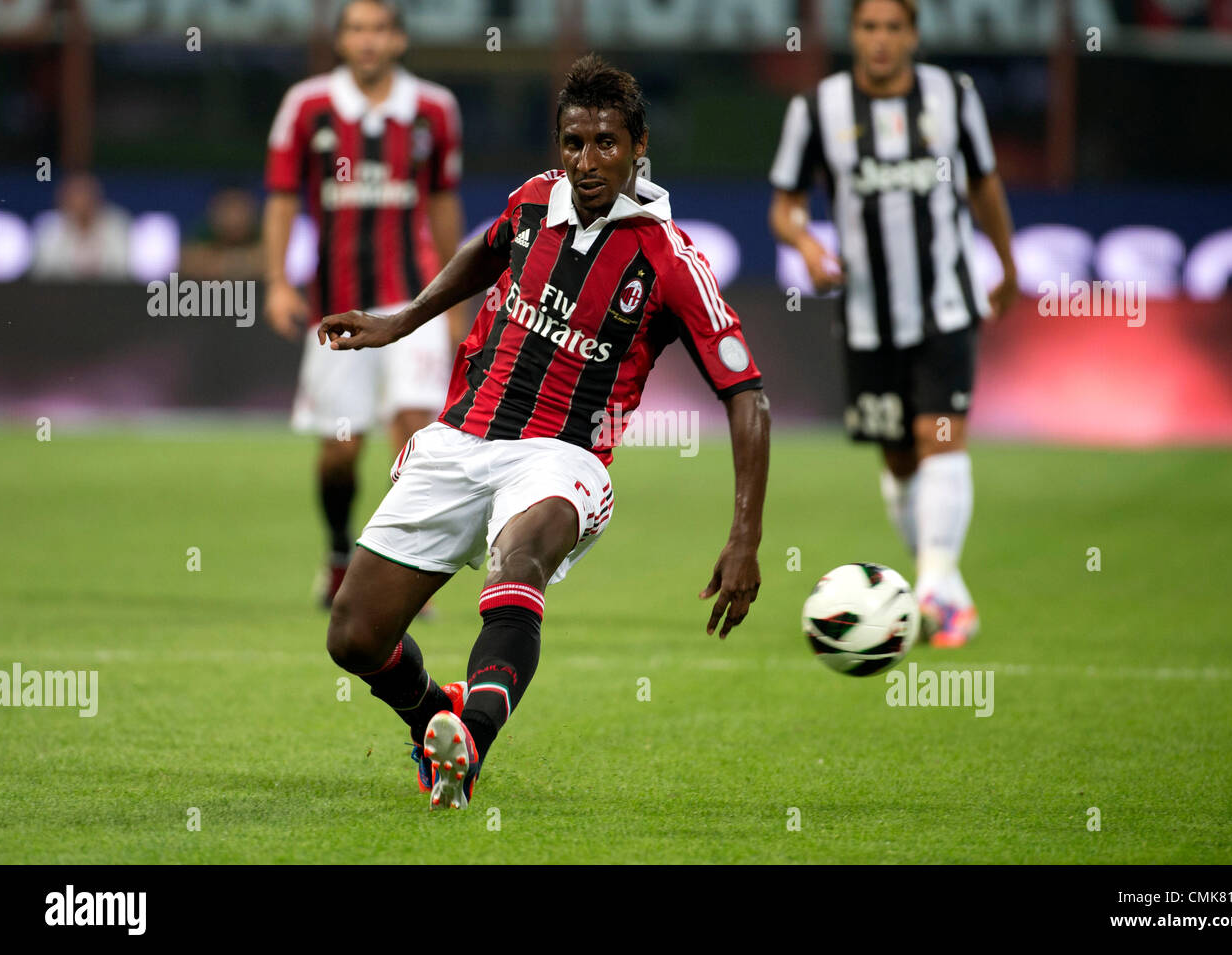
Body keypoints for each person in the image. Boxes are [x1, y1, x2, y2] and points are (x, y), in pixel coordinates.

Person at [318, 54, 770, 810]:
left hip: (563, 458)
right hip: (461, 438)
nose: (587, 162)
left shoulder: (671, 260)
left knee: (519, 555)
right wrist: (402, 319)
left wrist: (746, 534)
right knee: (353, 636)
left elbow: (747, 394)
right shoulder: (533, 203)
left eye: (606, 144)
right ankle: (435, 717)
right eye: (572, 143)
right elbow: (485, 251)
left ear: (639, 145)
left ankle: (475, 740)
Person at [768, 0, 1019, 647]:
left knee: (942, 436)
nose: (880, 41)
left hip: (945, 305)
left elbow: (984, 185)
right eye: (868, 27)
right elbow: (785, 206)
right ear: (854, 35)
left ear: (913, 35)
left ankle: (936, 591)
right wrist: (807, 246)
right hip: (865, 316)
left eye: (893, 28)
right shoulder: (816, 109)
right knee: (902, 458)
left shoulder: (952, 97)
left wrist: (1007, 263)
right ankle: (936, 582)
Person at [262, 0, 466, 608]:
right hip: (337, 305)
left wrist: (453, 297)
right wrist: (276, 280)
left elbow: (443, 202)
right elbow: (279, 197)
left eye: (379, 29)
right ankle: (336, 555)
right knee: (340, 454)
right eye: (356, 29)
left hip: (415, 302)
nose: (368, 40)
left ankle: (406, 576)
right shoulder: (307, 106)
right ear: (341, 41)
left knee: (415, 430)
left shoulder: (434, 110)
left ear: (398, 40)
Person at [31, 172, 131, 281]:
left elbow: (123, 270)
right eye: (74, 195)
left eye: (85, 194)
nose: (81, 201)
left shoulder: (117, 225)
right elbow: (43, 271)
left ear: (97, 197)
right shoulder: (49, 228)